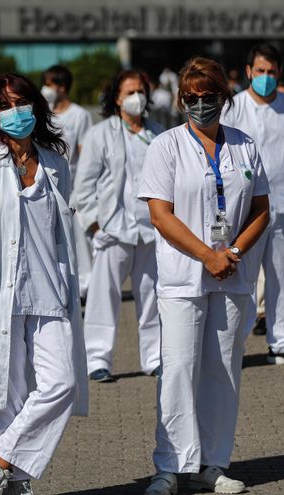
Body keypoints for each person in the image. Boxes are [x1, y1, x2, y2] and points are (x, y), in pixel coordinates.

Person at [0, 73, 88, 495]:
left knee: (61, 383)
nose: (15, 112)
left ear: (36, 106)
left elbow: (60, 230)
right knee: (7, 394)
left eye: (21, 102)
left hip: (49, 289)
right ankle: (13, 484)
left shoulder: (55, 163)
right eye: (5, 105)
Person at [139, 57, 270, 495]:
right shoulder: (166, 146)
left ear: (223, 97)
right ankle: (169, 467)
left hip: (232, 274)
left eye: (208, 97)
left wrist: (231, 252)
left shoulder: (245, 145)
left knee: (223, 371)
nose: (200, 105)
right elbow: (160, 214)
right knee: (177, 370)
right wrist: (205, 256)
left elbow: (261, 209)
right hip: (183, 277)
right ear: (180, 100)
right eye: (191, 98)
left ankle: (212, 465)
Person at [222, 43, 284, 366]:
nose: (265, 77)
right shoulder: (232, 107)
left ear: (279, 73)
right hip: (245, 211)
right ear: (249, 71)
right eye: (259, 71)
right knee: (242, 281)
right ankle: (232, 346)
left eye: (271, 72)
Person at [72, 69, 165, 383]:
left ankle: (154, 358)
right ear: (116, 98)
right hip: (112, 229)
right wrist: (95, 226)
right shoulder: (100, 134)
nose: (136, 97)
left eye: (140, 91)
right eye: (129, 92)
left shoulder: (158, 132)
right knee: (103, 297)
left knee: (152, 296)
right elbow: (83, 187)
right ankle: (98, 360)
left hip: (150, 229)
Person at [40, 65, 94, 299]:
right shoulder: (41, 112)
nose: (45, 88)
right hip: (45, 181)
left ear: (62, 87)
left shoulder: (79, 115)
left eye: (49, 84)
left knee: (77, 235)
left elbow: (85, 151)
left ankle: (85, 284)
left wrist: (84, 187)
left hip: (72, 183)